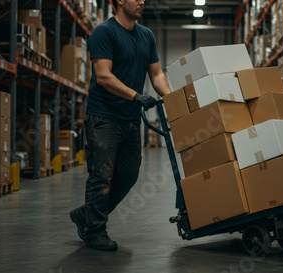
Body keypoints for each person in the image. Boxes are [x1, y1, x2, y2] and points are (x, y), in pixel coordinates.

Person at [70, 0, 171, 251]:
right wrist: (136, 96)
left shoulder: (146, 35)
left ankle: (86, 214)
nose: (142, 1)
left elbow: (156, 74)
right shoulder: (104, 32)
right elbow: (103, 75)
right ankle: (94, 230)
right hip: (103, 117)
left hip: (129, 118)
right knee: (102, 176)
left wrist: (172, 99)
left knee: (127, 175)